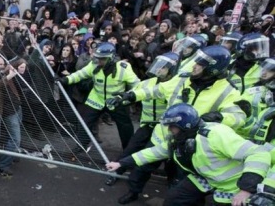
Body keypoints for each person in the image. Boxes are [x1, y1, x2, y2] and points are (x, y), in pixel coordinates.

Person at [105, 45, 246, 204]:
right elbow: (155, 90)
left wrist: (220, 117)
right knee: (142, 169)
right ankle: (133, 191)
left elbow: (239, 117)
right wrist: (129, 96)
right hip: (163, 136)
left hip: (191, 146)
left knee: (178, 177)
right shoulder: (182, 79)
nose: (194, 65)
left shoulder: (229, 91)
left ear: (212, 70)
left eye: (200, 64)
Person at [106, 103, 270, 205]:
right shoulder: (180, 138)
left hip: (233, 186)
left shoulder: (215, 134)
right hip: (205, 177)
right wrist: (121, 163)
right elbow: (154, 152)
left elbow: (258, 154)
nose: (169, 130)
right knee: (173, 200)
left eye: (172, 126)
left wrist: (246, 189)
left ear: (185, 125)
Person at [105, 52, 180, 186]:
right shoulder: (146, 83)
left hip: (165, 128)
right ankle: (116, 172)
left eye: (163, 67)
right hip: (147, 125)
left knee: (169, 160)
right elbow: (132, 94)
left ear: (172, 70)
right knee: (130, 148)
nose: (158, 69)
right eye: (158, 66)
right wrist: (119, 100)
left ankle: (171, 182)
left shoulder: (176, 88)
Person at [58, 42, 140, 151]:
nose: (99, 61)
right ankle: (82, 145)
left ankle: (128, 151)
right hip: (97, 99)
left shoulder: (123, 68)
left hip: (116, 101)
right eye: (98, 58)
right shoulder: (94, 64)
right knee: (85, 122)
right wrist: (66, 80)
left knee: (125, 126)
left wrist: (126, 96)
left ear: (111, 58)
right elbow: (80, 74)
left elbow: (137, 85)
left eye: (103, 59)